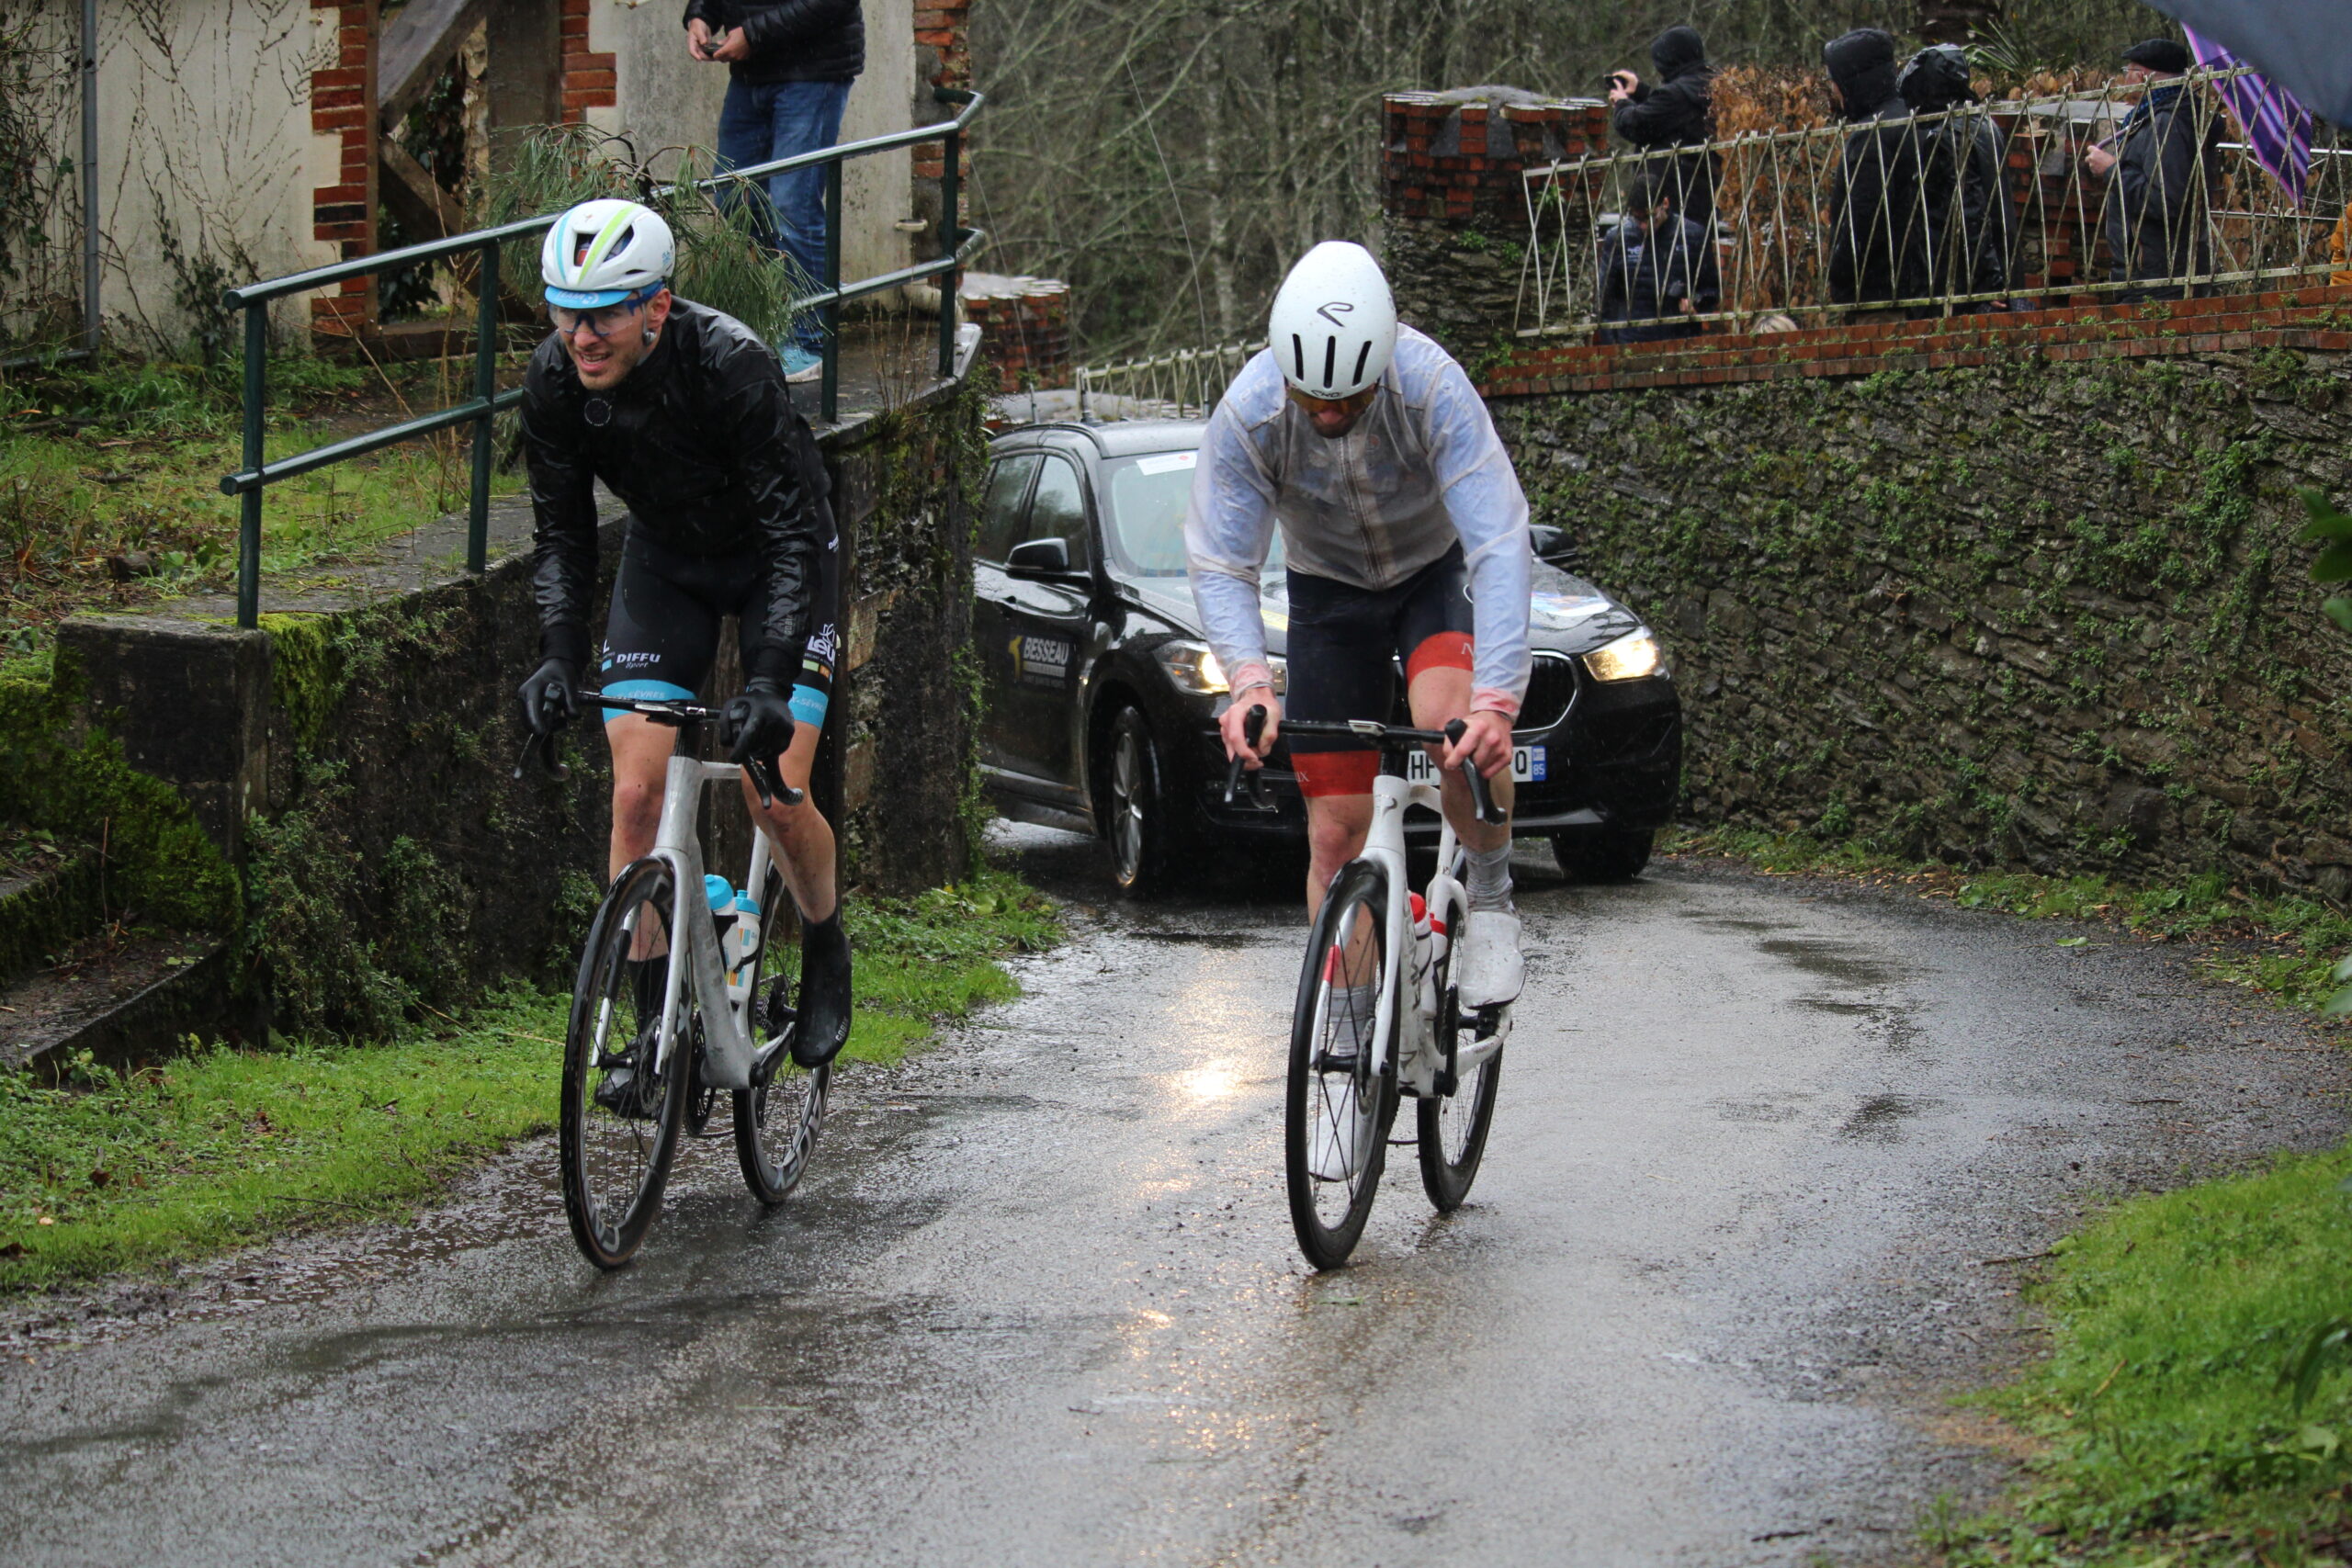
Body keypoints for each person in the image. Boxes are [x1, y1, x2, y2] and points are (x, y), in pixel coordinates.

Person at [1184, 242, 1533, 1176]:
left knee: (1452, 726)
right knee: (1334, 835)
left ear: (1383, 363)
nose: (1330, 414)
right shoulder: (1252, 413)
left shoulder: (1432, 388)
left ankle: (1490, 893)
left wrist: (1497, 702)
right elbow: (1221, 560)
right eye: (1315, 400)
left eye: (1350, 398)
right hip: (1328, 593)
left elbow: (1499, 540)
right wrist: (1250, 686)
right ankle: (1343, 1047)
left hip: (1433, 576)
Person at [516, 197, 854, 1071]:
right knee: (635, 797)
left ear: (656, 308)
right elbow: (562, 536)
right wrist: (558, 654)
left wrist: (769, 679)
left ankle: (825, 940)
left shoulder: (733, 365)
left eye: (602, 315)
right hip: (669, 561)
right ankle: (649, 1032)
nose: (581, 337)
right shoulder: (553, 380)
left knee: (772, 792)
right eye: (564, 312)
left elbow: (791, 538)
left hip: (781, 554)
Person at [685, 0, 865, 382]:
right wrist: (701, 16)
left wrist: (753, 34)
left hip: (813, 73)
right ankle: (806, 291)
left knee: (793, 206)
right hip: (751, 75)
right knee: (734, 197)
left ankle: (812, 340)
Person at [2088, 38, 2216, 303]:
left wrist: (2112, 170)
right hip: (2149, 269)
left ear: (2143, 76)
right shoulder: (2149, 118)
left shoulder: (2168, 122)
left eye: (2127, 71)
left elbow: (2165, 201)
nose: (2124, 79)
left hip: (2158, 274)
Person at [1823, 28, 1933, 314]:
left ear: (1853, 81)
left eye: (1835, 79)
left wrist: (1841, 278)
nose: (1832, 88)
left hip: (1879, 294)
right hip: (1917, 284)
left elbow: (1863, 219)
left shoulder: (1873, 135)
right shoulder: (1911, 117)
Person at [1899, 43, 2018, 310]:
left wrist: (1987, 280)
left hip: (1960, 281)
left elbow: (1970, 210)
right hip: (1996, 262)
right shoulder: (1982, 123)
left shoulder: (1947, 135)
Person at [1607, 24, 1719, 220]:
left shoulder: (1676, 95)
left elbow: (1635, 125)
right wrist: (1641, 91)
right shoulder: (1711, 84)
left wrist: (1622, 103)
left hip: (1672, 193)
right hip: (1705, 187)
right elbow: (1671, 115)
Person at [1596, 169, 1721, 344]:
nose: (1644, 226)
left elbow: (1711, 289)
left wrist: (1696, 302)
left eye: (1650, 217)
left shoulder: (1693, 236)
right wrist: (1612, 346)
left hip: (1679, 338)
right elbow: (1605, 300)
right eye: (1638, 219)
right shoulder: (1619, 239)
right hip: (1633, 339)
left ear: (1665, 203)